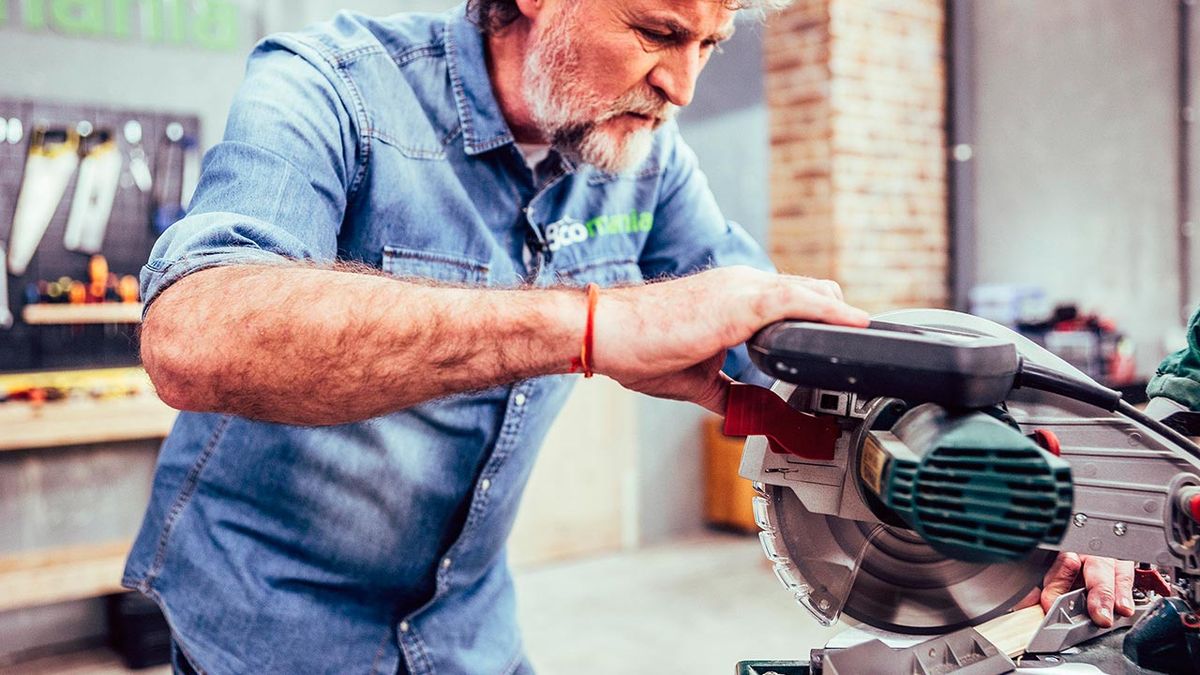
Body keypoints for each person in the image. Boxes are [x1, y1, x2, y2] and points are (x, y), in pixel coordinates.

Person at [123, 1, 1127, 672]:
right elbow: (195, 335)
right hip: (263, 624)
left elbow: (779, 339)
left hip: (470, 632)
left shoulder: (643, 155)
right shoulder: (330, 81)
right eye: (657, 30)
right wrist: (597, 325)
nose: (684, 85)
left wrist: (1036, 487)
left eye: (709, 46)